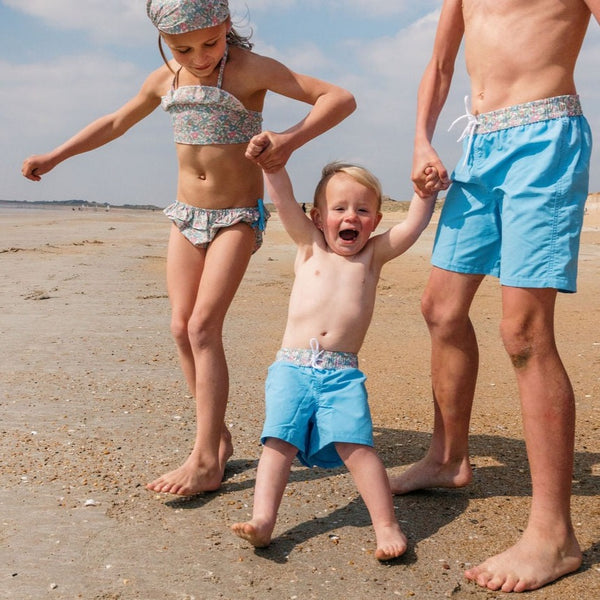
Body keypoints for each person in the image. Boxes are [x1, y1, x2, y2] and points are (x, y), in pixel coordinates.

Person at [21, 0, 356, 497]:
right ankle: (216, 441)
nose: (199, 57)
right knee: (180, 327)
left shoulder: (249, 70)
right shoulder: (166, 78)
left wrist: (289, 138)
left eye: (210, 43)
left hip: (236, 216)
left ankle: (203, 462)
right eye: (183, 48)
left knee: (203, 326)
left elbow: (338, 98)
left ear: (225, 26)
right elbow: (116, 122)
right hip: (186, 215)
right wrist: (56, 156)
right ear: (163, 40)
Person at [390, 0, 599, 593]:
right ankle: (448, 458)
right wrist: (422, 143)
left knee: (525, 333)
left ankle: (554, 535)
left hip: (547, 139)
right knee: (440, 307)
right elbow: (440, 63)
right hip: (479, 145)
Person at [231, 158, 439, 560]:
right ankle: (263, 519)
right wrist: (272, 165)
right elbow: (284, 199)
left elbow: (412, 227)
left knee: (358, 447)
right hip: (292, 367)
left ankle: (386, 525)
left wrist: (424, 195)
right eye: (339, 208)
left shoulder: (372, 257)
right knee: (278, 443)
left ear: (375, 219)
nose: (351, 217)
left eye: (362, 210)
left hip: (341, 374)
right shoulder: (309, 247)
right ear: (318, 217)